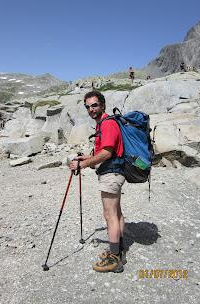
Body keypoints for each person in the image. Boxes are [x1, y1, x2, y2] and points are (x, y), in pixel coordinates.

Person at [69, 91, 126, 273]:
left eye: (94, 105)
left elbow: (107, 153)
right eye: (87, 106)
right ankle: (119, 249)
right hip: (113, 172)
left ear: (102, 105)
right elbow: (105, 151)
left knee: (109, 215)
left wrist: (83, 165)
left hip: (112, 173)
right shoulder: (104, 123)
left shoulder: (108, 124)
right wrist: (86, 157)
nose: (91, 109)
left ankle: (115, 258)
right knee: (116, 213)